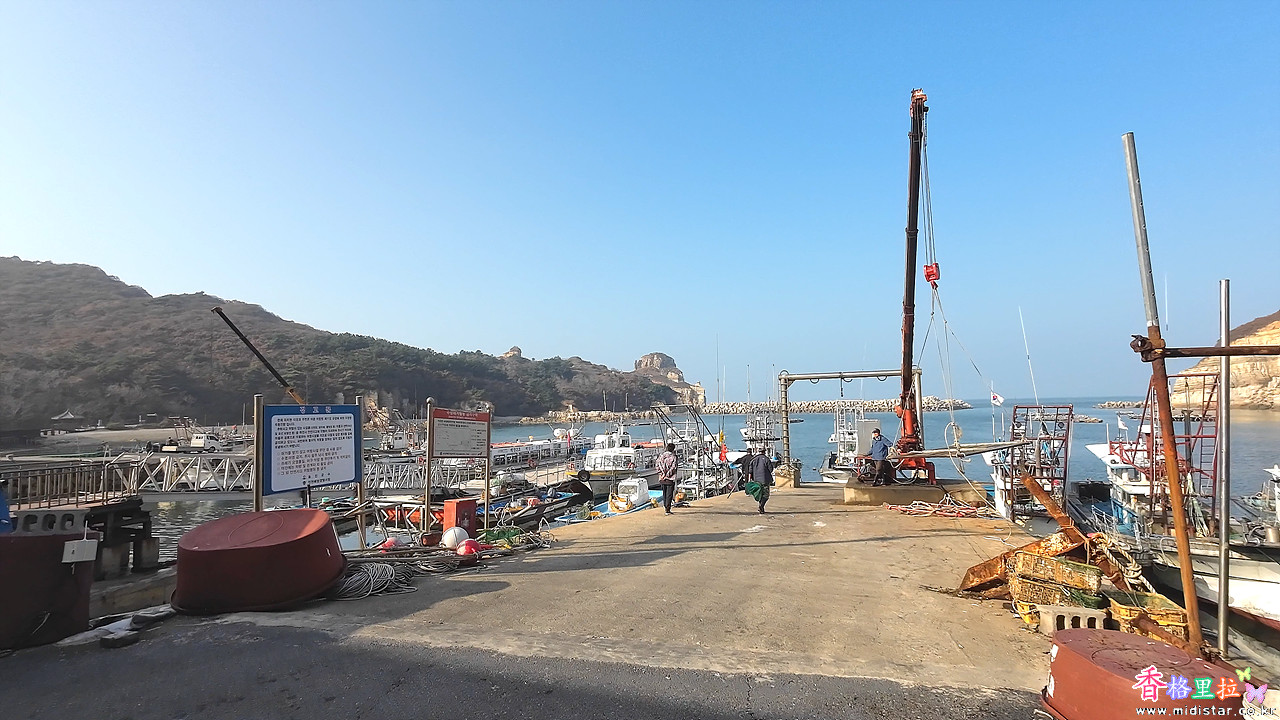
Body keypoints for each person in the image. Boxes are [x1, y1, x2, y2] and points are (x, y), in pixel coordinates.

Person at [656, 442, 679, 514]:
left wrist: (662, 474)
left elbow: (657, 465)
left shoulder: (661, 456)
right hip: (670, 479)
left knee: (664, 493)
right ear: (673, 449)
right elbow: (673, 467)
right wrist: (668, 474)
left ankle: (665, 506)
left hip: (662, 478)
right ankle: (667, 509)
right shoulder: (674, 457)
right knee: (669, 494)